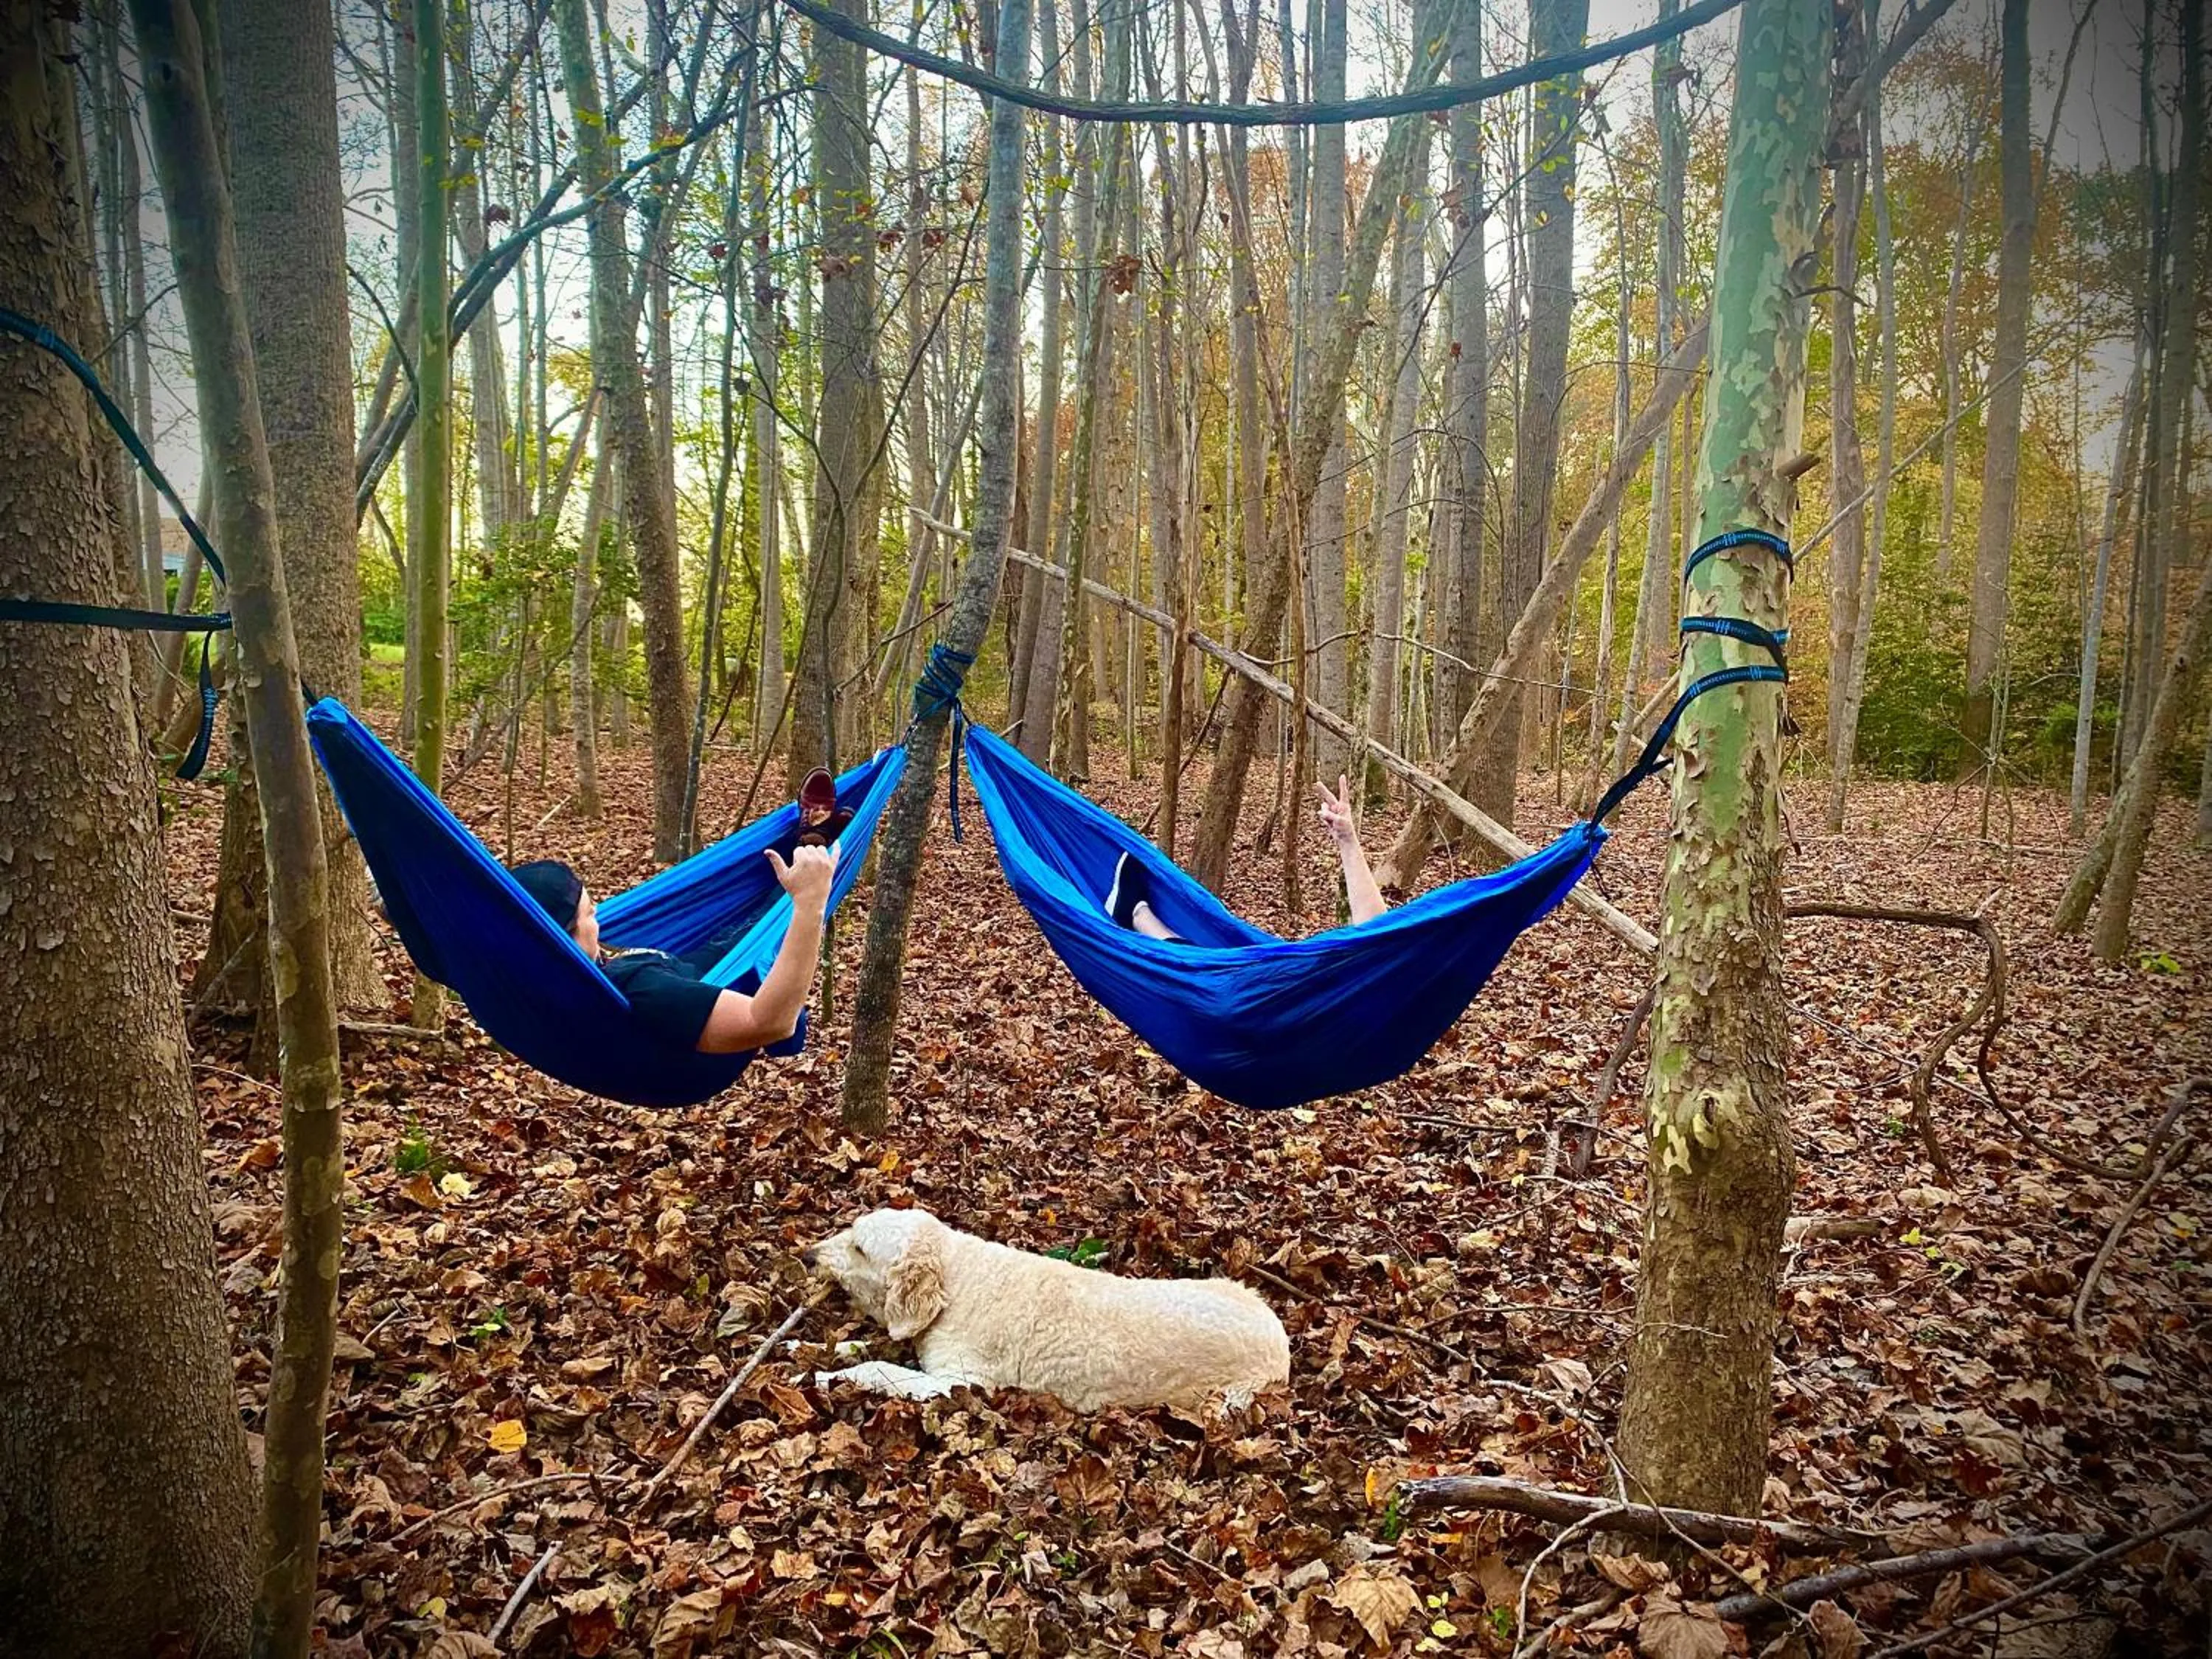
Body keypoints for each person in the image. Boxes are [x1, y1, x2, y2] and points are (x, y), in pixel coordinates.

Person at [512, 840, 835, 1055]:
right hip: (732, 972)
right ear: (565, 937)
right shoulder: (646, 990)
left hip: (702, 956)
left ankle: (805, 842)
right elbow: (772, 1023)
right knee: (774, 917)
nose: (598, 920)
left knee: (763, 903)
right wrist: (811, 904)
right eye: (591, 912)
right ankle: (815, 845)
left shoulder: (529, 978)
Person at [1104, 774, 1388, 941]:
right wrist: (1348, 840)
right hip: (1303, 983)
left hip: (1302, 1019)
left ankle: (1138, 916)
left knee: (1223, 991)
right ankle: (1137, 914)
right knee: (1233, 973)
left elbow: (1384, 954)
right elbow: (1383, 942)